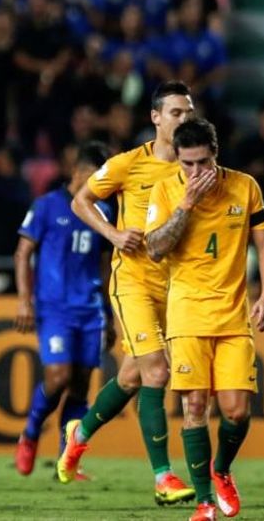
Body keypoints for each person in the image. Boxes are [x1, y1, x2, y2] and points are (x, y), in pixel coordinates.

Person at [60, 81, 195, 505]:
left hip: (176, 286)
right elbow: (80, 201)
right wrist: (113, 234)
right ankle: (163, 477)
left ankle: (78, 434)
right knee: (157, 372)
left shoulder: (197, 166)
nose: (183, 120)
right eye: (176, 113)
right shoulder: (127, 164)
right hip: (133, 281)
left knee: (133, 376)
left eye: (189, 113)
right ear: (155, 117)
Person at [145, 119, 264, 521]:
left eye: (203, 163)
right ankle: (204, 504)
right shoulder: (167, 189)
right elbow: (154, 248)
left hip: (234, 314)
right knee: (195, 406)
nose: (196, 173)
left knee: (237, 411)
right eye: (187, 164)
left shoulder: (244, 186)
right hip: (186, 314)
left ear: (215, 155)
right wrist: (186, 203)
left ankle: (221, 469)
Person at [13, 141, 114, 478]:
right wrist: (25, 299)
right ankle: (30, 433)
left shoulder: (104, 212)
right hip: (54, 308)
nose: (100, 183)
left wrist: (110, 313)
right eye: (97, 175)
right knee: (58, 376)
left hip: (90, 309)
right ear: (79, 171)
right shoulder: (47, 206)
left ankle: (66, 459)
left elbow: (104, 265)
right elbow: (23, 252)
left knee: (81, 384)